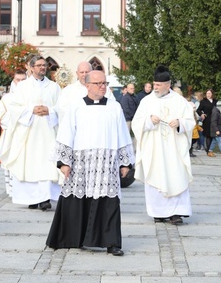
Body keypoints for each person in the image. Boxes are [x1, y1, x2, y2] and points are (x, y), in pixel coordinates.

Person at [46, 70, 134, 256]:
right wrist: (63, 162)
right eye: (98, 83)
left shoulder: (114, 107)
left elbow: (123, 136)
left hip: (106, 164)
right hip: (81, 162)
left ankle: (112, 243)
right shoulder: (76, 106)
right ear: (87, 85)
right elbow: (66, 133)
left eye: (104, 83)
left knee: (109, 202)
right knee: (77, 200)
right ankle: (71, 238)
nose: (103, 86)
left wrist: (125, 162)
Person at [132, 65, 194, 225]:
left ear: (168, 85)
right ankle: (158, 212)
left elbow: (190, 121)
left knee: (176, 176)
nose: (155, 88)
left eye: (159, 85)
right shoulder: (146, 101)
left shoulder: (180, 101)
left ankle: (177, 212)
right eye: (154, 85)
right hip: (155, 149)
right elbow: (136, 123)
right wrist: (149, 121)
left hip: (174, 149)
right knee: (156, 174)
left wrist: (180, 123)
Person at [0, 55, 62, 210]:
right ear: (31, 67)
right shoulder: (22, 87)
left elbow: (62, 107)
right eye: (39, 65)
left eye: (44, 65)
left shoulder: (54, 87)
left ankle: (45, 198)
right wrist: (31, 110)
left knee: (48, 164)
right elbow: (13, 107)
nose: (42, 68)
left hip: (48, 131)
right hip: (29, 132)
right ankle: (32, 198)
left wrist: (50, 110)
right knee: (29, 164)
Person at [0, 69, 27, 198]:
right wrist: (17, 121)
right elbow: (1, 117)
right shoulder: (7, 98)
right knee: (10, 161)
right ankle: (12, 189)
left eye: (23, 80)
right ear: (14, 81)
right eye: (18, 80)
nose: (21, 83)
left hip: (27, 135)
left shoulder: (31, 96)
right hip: (11, 135)